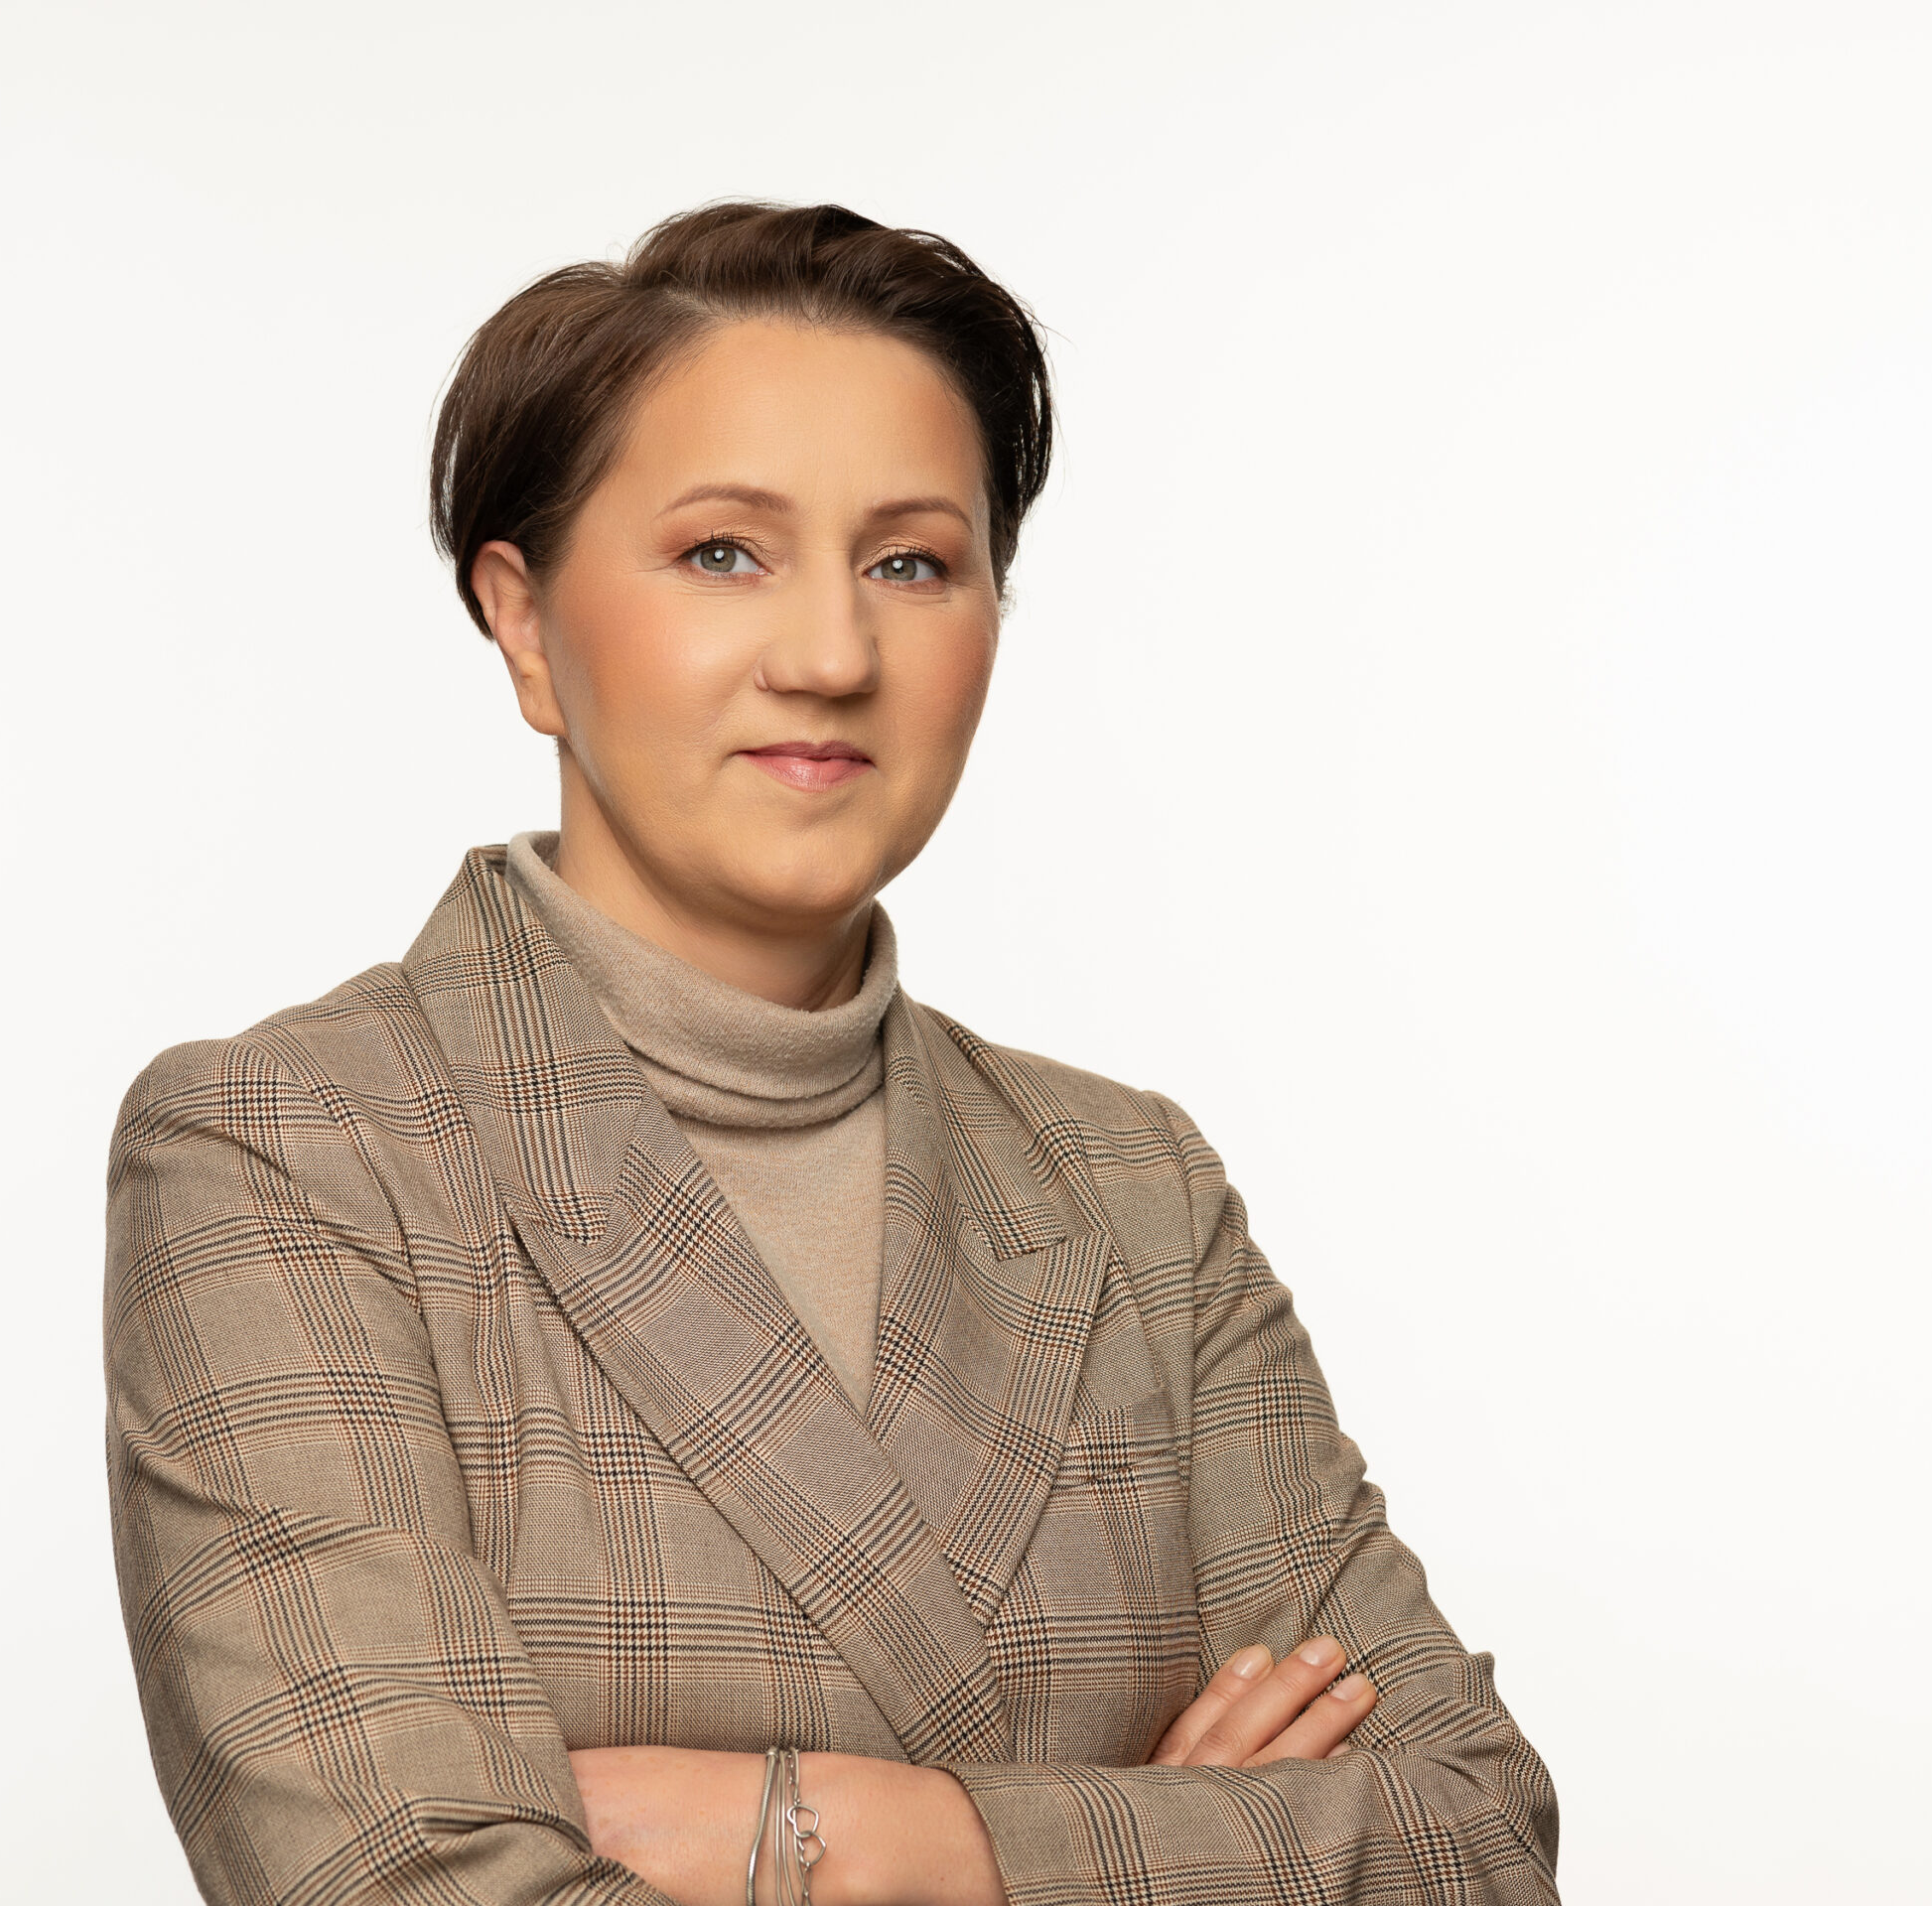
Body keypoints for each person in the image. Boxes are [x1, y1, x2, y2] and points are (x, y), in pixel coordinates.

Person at [105, 201, 1559, 1906]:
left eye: (912, 564)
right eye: (724, 554)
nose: (831, 656)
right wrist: (1174, 1849)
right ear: (525, 623)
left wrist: (883, 1841)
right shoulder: (289, 1153)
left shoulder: (1130, 1192)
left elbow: (1479, 1841)